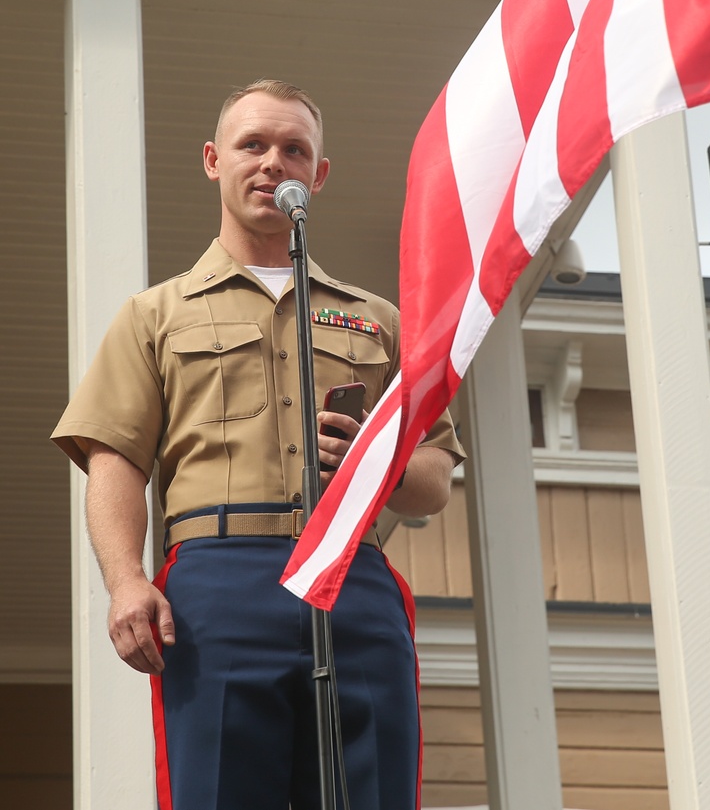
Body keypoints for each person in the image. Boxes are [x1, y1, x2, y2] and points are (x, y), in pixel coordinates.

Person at [52, 78, 464, 810]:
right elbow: (116, 458)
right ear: (214, 160)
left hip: (351, 576)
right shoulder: (156, 314)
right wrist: (124, 579)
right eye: (253, 144)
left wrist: (381, 463)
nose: (274, 162)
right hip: (217, 585)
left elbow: (434, 475)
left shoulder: (380, 320)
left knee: (373, 792)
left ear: (319, 174)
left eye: (294, 148)